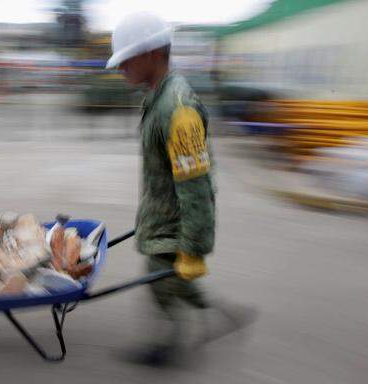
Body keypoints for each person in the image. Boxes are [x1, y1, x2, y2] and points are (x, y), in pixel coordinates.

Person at [106, 12, 252, 366]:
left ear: (152, 53)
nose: (121, 66)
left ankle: (168, 347)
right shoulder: (156, 96)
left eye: (127, 58)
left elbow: (196, 186)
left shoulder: (178, 110)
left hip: (178, 223)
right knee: (168, 280)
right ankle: (220, 315)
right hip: (162, 216)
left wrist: (194, 248)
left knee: (162, 282)